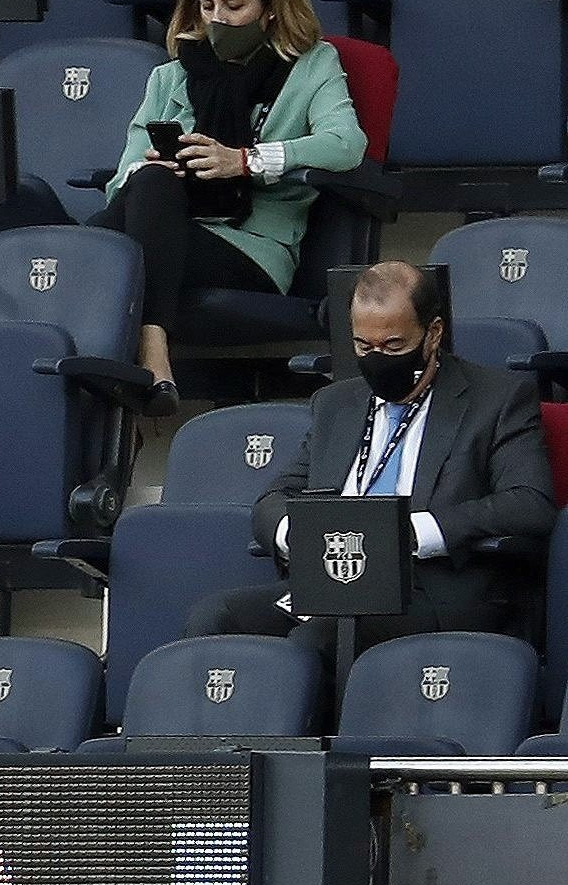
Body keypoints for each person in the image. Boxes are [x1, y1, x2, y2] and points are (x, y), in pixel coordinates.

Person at [189, 261, 552, 659]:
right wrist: (299, 534)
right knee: (215, 617)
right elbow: (274, 498)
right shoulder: (336, 403)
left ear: (433, 333)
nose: (378, 358)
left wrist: (409, 534)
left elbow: (529, 503)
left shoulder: (497, 398)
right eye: (364, 347)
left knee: (318, 640)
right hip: (336, 577)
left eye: (394, 346)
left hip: (434, 586)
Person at [92, 0, 366, 409]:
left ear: (272, 4)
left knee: (98, 265)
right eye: (207, 5)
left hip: (252, 246)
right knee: (148, 183)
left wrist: (243, 161)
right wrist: (158, 167)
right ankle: (152, 358)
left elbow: (345, 145)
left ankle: (139, 362)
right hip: (167, 227)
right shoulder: (171, 75)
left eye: (234, 5)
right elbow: (121, 178)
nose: (218, 18)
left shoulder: (313, 65)